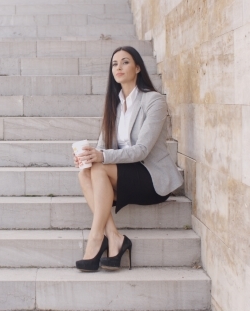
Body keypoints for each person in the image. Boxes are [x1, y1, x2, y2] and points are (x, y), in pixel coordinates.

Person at [73, 46, 183, 272]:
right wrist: (88, 156)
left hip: (151, 177)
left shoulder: (154, 101)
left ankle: (96, 238)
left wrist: (101, 156)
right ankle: (114, 237)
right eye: (114, 64)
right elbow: (103, 148)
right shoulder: (113, 104)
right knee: (86, 172)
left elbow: (142, 150)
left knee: (100, 167)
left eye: (125, 62)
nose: (119, 67)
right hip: (124, 174)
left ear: (138, 67)